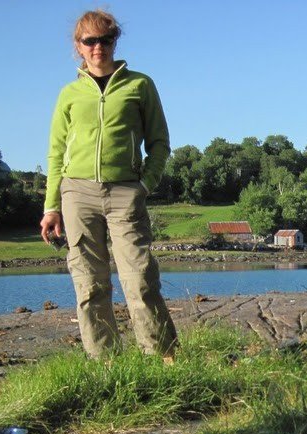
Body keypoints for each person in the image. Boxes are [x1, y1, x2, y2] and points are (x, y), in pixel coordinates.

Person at [39, 9, 178, 362]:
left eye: (105, 39)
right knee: (89, 285)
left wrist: (144, 184)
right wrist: (51, 207)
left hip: (125, 192)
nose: (98, 46)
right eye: (90, 40)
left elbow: (159, 143)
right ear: (78, 46)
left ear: (115, 41)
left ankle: (163, 361)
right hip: (77, 194)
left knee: (141, 279)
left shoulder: (139, 85)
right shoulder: (69, 94)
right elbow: (56, 154)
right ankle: (107, 366)